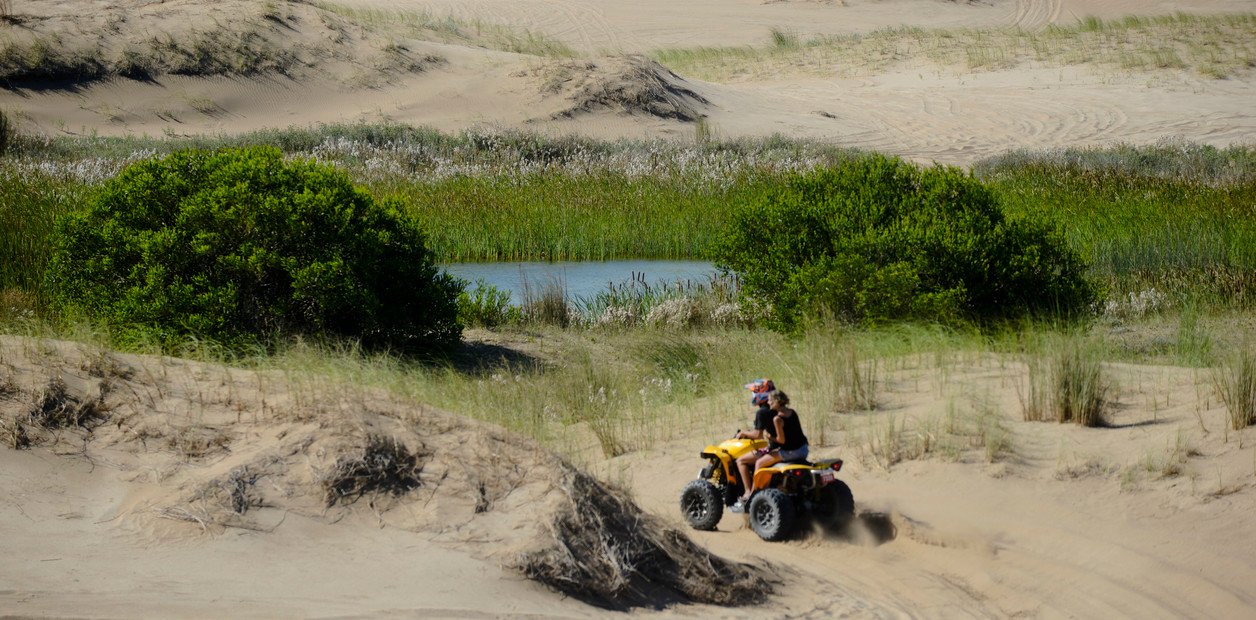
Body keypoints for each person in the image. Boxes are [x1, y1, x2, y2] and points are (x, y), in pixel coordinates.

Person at [731, 390, 809, 513]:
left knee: (759, 463)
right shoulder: (792, 412)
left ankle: (753, 495)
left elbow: (781, 441)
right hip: (803, 449)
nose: (768, 402)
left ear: (777, 401)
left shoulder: (777, 419)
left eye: (770, 401)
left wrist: (769, 436)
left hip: (790, 452)